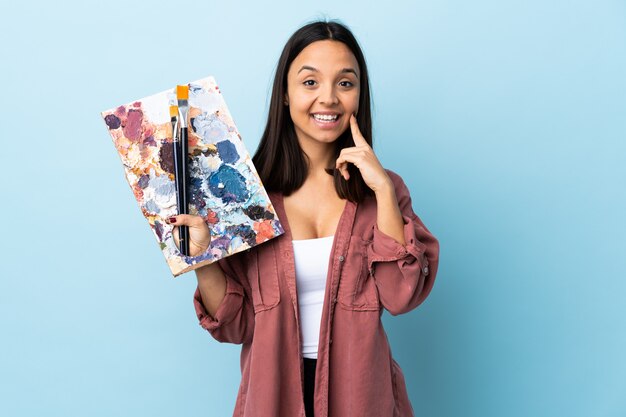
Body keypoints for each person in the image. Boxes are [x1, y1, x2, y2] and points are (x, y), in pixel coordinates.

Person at [166, 20, 439, 417]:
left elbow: (401, 295)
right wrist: (204, 257)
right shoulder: (243, 194)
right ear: (284, 95)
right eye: (310, 82)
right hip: (271, 398)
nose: (328, 98)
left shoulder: (384, 190)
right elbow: (236, 325)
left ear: (359, 97)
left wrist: (381, 190)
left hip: (363, 398)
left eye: (345, 83)